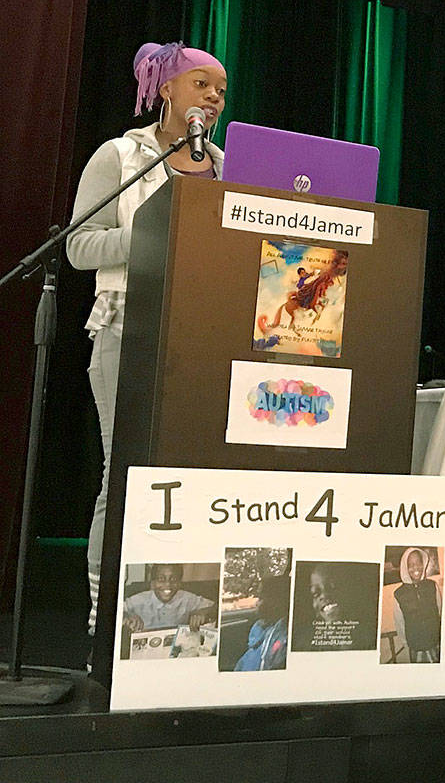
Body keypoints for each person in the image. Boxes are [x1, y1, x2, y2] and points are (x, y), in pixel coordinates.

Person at [66, 41, 227, 636]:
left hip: (196, 337)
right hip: (123, 329)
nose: (214, 98)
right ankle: (101, 612)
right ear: (166, 90)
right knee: (124, 472)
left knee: (186, 472)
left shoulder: (223, 165)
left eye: (220, 90)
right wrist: (156, 237)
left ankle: (182, 615)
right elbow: (79, 247)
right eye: (203, 85)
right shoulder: (118, 155)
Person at [120, 563, 214, 632]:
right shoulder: (138, 600)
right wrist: (126, 615)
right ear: (152, 583)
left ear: (179, 583)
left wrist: (203, 612)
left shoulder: (187, 598)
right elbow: (115, 610)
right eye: (161, 579)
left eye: (173, 579)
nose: (168, 584)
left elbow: (216, 607)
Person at [393, 547, 441, 663]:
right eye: (411, 564)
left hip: (435, 643)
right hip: (415, 647)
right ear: (405, 567)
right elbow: (399, 623)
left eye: (418, 563)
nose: (415, 568)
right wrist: (406, 644)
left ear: (423, 564)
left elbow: (440, 612)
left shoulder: (432, 586)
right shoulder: (399, 594)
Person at [234, 575, 290, 671]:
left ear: (274, 602)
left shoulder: (279, 636)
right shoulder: (259, 629)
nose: (256, 603)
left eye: (260, 598)